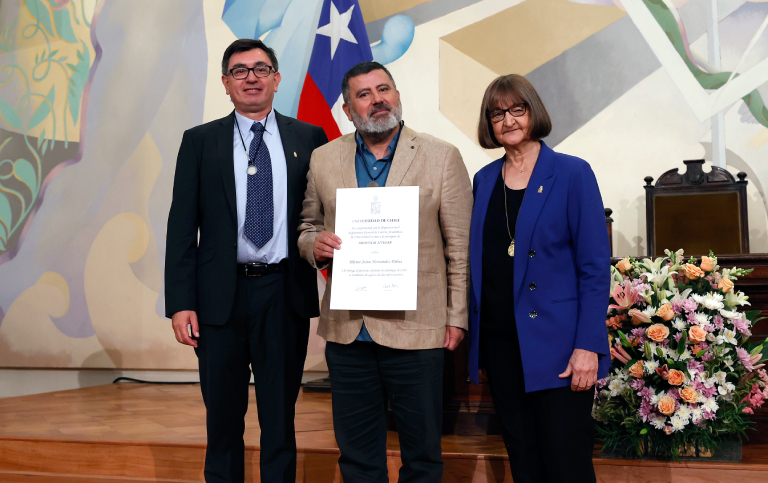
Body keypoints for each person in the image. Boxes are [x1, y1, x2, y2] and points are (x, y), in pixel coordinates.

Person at [297, 61, 472, 483]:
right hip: (347, 331)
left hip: (417, 327)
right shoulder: (324, 158)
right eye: (364, 94)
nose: (377, 100)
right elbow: (307, 226)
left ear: (397, 95)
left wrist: (457, 316)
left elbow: (460, 249)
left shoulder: (441, 156)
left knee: (422, 455)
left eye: (384, 89)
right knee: (356, 456)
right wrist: (313, 245)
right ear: (346, 108)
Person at [164, 39, 328, 483]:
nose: (251, 77)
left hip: (282, 292)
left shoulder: (309, 138)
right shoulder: (199, 141)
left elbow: (322, 214)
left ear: (277, 79)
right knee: (222, 418)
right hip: (219, 297)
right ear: (225, 83)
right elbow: (181, 227)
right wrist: (180, 303)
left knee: (280, 417)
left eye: (260, 68)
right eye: (239, 70)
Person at [467, 74, 611, 483]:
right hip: (501, 347)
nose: (508, 120)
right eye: (498, 113)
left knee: (567, 465)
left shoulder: (571, 173)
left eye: (518, 109)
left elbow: (595, 268)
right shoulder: (484, 180)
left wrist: (588, 347)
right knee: (524, 464)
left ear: (534, 112)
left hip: (560, 349)